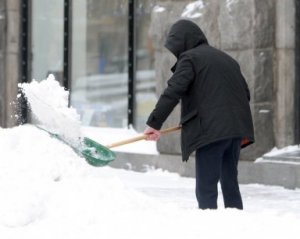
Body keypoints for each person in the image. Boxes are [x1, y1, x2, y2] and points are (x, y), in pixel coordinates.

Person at [144, 19, 254, 210]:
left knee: (206, 188)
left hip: (211, 132)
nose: (177, 53)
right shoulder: (228, 59)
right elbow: (245, 94)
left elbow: (173, 91)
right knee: (230, 184)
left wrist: (154, 123)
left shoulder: (190, 59)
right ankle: (237, 227)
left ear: (183, 42)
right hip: (235, 130)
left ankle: (209, 229)